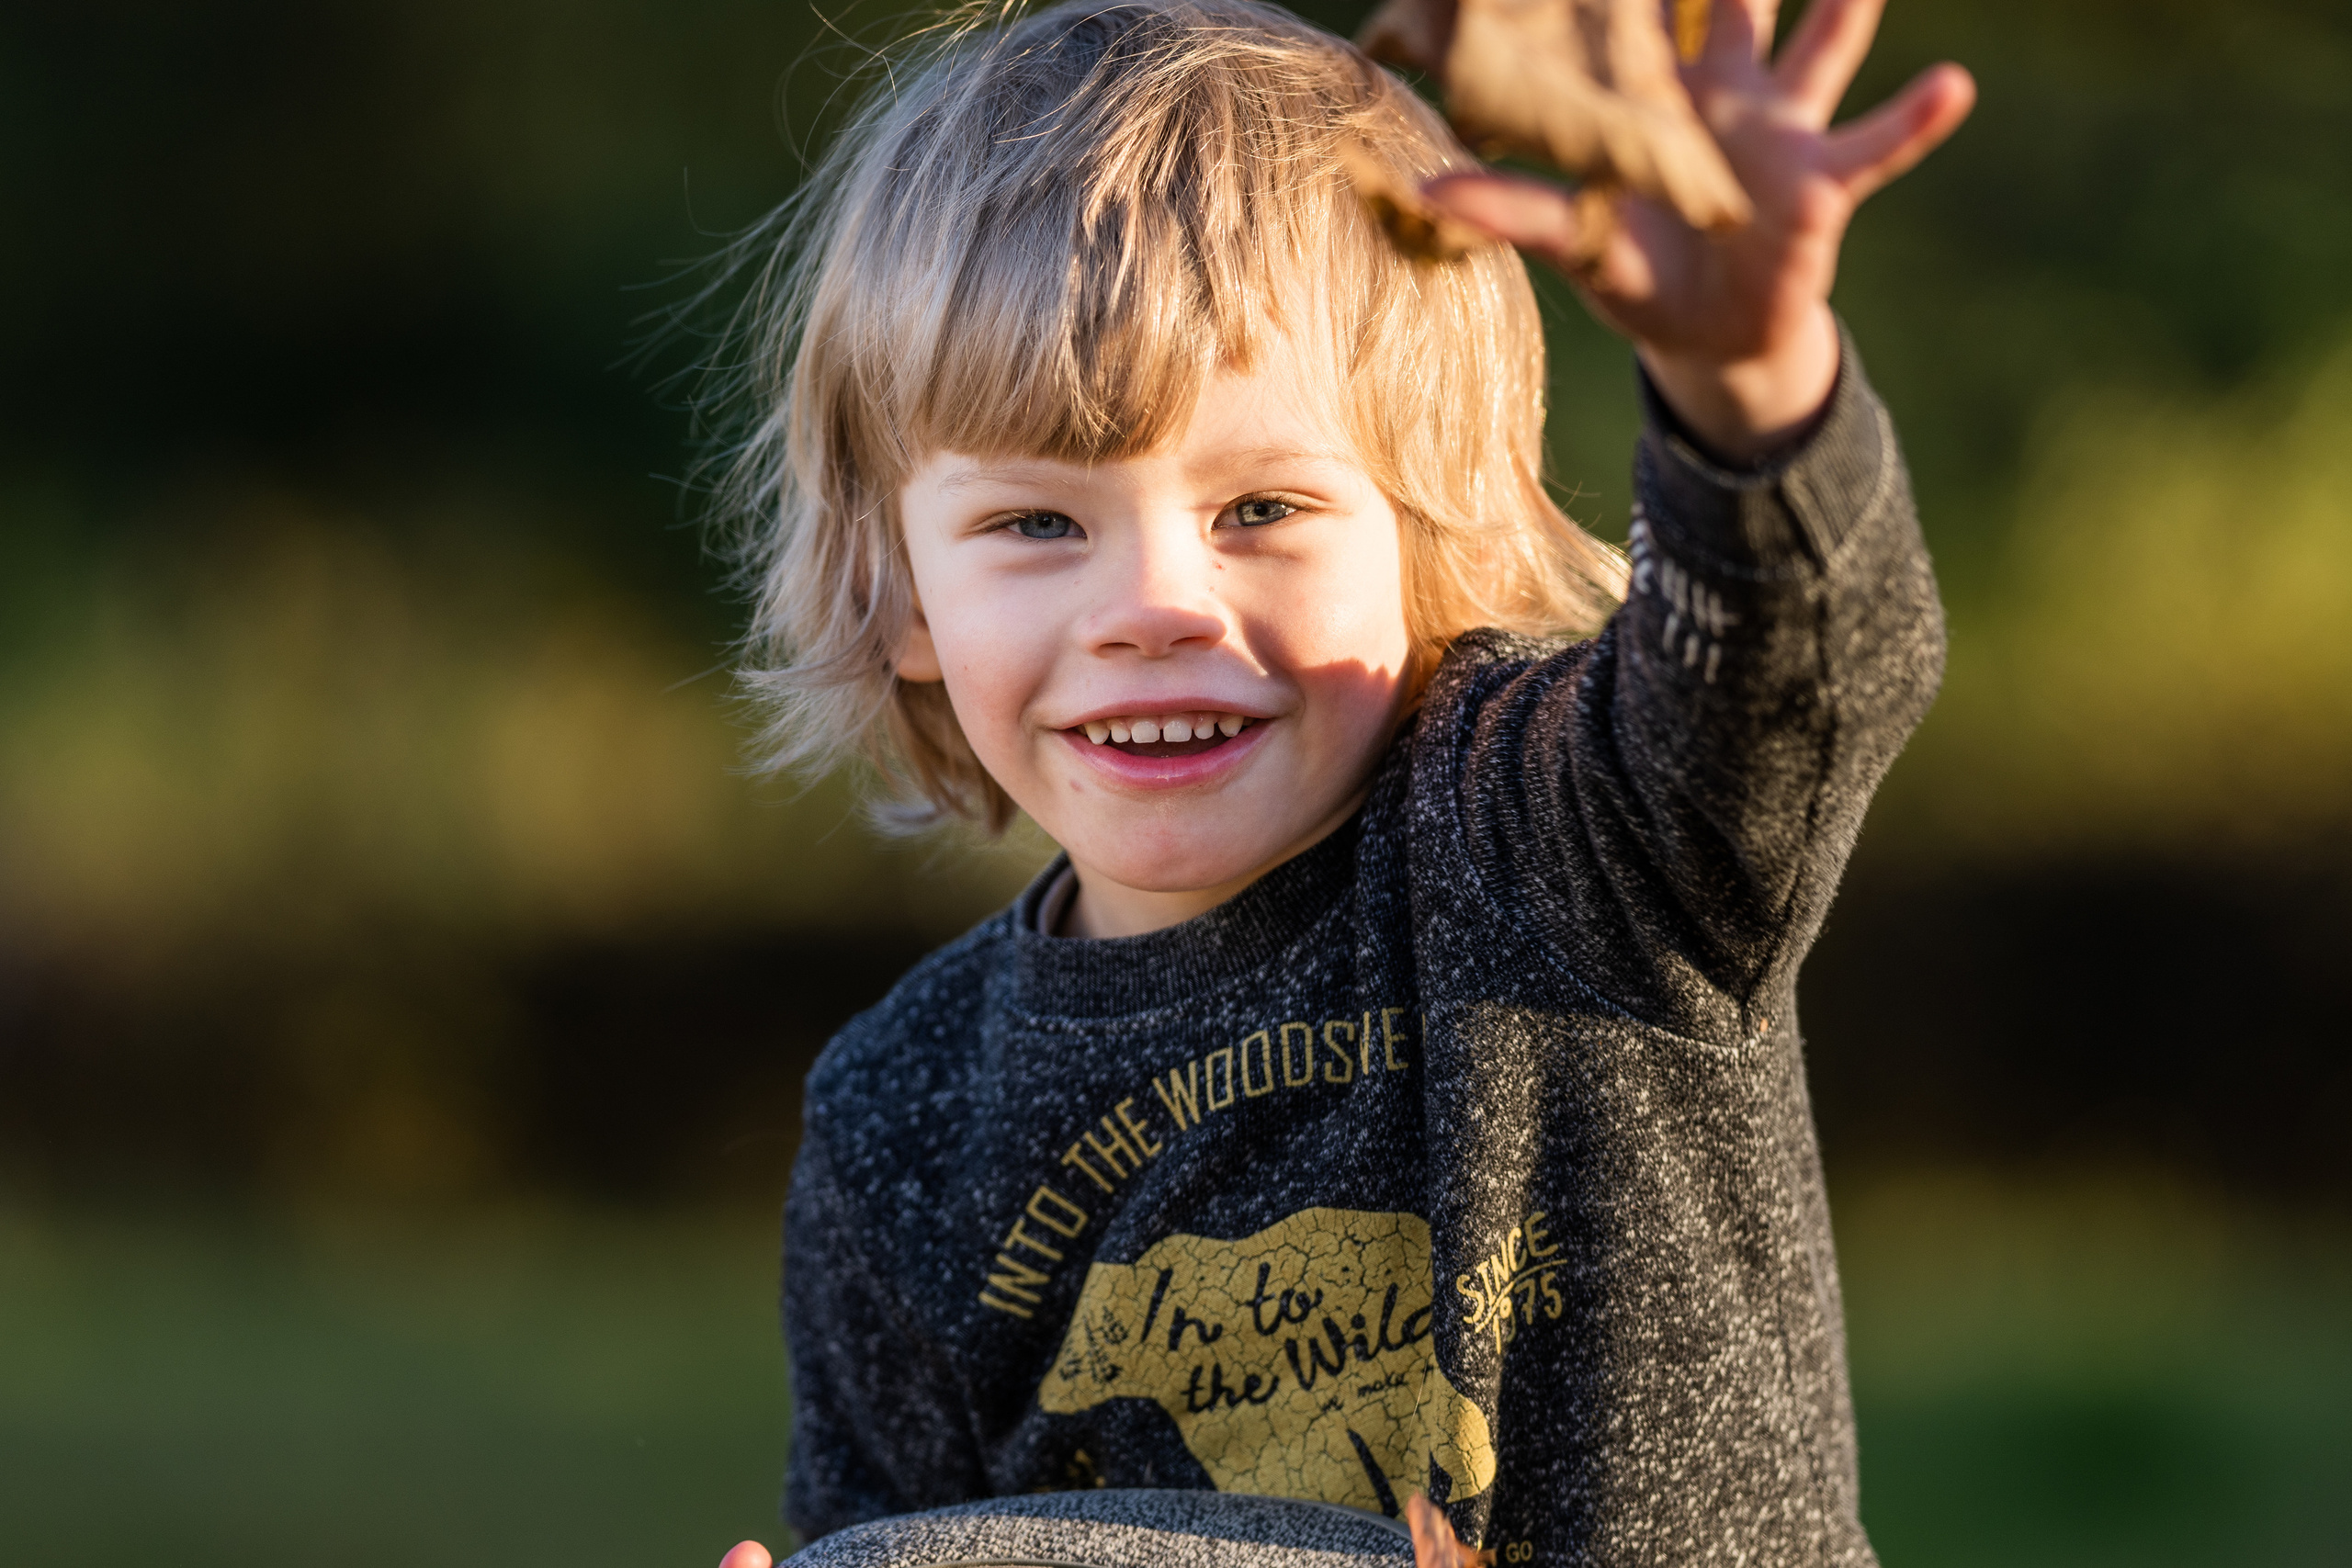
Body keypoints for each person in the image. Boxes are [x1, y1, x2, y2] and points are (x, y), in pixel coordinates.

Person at [714, 0, 1973, 1562]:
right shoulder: (897, 1113)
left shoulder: (1564, 841)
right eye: (1037, 526)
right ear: (899, 595)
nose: (1152, 606)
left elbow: (1794, 684)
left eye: (1260, 506)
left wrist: (1751, 386)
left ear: (1429, 536)